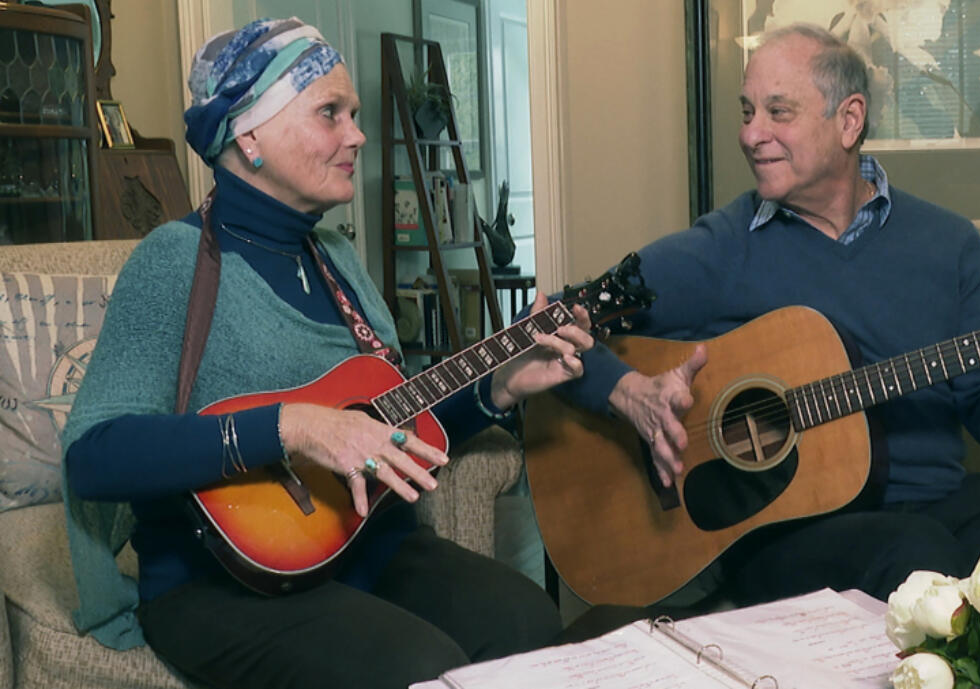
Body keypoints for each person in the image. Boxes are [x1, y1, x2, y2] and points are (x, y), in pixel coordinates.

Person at [553, 23, 980, 648]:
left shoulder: (949, 245)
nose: (750, 133)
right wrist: (628, 392)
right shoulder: (721, 246)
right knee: (921, 561)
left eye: (778, 112)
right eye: (747, 112)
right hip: (783, 538)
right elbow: (559, 320)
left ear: (848, 120)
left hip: (940, 519)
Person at [60, 17, 593, 688]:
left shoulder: (338, 260)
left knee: (529, 622)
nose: (358, 136)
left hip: (364, 546)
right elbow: (94, 456)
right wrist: (292, 426)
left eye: (356, 115)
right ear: (249, 135)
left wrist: (498, 387)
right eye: (330, 114)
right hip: (217, 584)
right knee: (419, 668)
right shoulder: (171, 263)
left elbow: (386, 426)